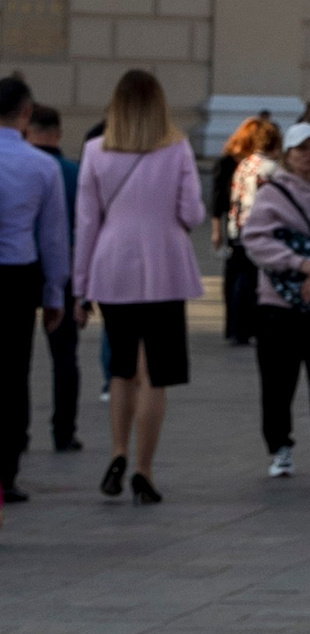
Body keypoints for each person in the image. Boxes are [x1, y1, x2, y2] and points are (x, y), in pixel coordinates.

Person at [72, 69, 205, 508]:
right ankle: (143, 471)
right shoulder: (177, 149)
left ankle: (117, 452)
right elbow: (192, 212)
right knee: (156, 375)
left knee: (122, 369)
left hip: (112, 266)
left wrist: (80, 287)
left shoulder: (94, 151)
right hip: (164, 266)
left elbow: (86, 223)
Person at [238, 120, 310, 479]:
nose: (309, 155)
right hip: (277, 304)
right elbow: (256, 240)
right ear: (288, 155)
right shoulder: (271, 194)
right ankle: (280, 448)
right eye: (301, 149)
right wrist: (302, 265)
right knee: (277, 382)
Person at [0, 71, 71, 506]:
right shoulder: (42, 165)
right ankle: (5, 474)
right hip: (16, 277)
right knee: (12, 375)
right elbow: (53, 239)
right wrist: (54, 294)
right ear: (26, 113)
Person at [25, 106, 83, 459]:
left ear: (28, 131)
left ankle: (19, 432)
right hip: (65, 271)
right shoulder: (75, 173)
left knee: (17, 359)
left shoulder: (21, 166)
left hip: (20, 268)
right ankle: (64, 432)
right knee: (64, 356)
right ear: (59, 133)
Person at [212, 115, 279, 346]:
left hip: (238, 227)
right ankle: (247, 327)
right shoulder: (270, 168)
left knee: (238, 280)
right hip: (260, 228)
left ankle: (235, 327)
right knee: (252, 282)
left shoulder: (244, 164)